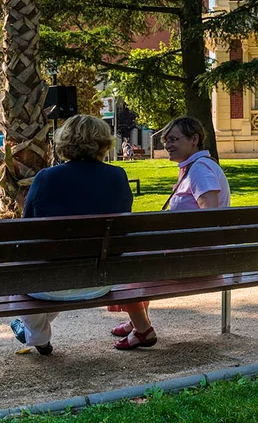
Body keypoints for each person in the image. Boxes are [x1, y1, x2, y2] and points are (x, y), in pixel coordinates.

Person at [11, 115, 134, 356]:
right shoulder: (118, 176)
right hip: (100, 281)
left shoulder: (46, 177)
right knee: (51, 275)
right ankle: (35, 335)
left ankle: (37, 335)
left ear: (64, 142)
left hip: (51, 282)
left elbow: (27, 229)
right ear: (104, 143)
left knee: (21, 275)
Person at [109, 116, 229, 350]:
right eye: (165, 141)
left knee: (121, 260)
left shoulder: (200, 171)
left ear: (195, 139)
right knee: (139, 250)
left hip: (195, 262)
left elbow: (210, 216)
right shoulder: (197, 167)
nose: (168, 145)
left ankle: (142, 330)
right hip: (200, 256)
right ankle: (137, 320)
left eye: (174, 139)